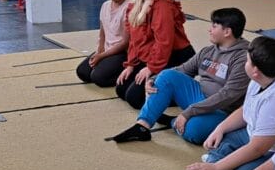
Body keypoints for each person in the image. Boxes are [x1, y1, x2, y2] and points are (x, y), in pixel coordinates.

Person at [107, 7, 250, 144]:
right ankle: (142, 126)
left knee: (193, 131)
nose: (209, 29)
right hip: (198, 96)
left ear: (227, 32)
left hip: (222, 109)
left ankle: (173, 121)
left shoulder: (243, 58)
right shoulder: (208, 51)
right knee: (167, 75)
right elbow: (182, 70)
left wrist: (189, 112)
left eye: (214, 26)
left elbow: (227, 96)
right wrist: (153, 79)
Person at [181, 35, 275, 170]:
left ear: (255, 71)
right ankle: (220, 164)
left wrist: (216, 169)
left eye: (247, 60)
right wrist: (220, 128)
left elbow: (258, 148)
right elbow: (246, 110)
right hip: (253, 135)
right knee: (225, 139)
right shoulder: (261, 79)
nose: (244, 62)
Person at [114, 0, 195, 110]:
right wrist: (131, 64)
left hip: (176, 56)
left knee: (135, 98)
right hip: (155, 54)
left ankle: (182, 94)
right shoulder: (135, 5)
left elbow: (164, 43)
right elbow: (134, 40)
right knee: (121, 89)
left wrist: (151, 68)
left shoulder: (163, 6)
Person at [75, 0, 133, 87]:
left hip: (122, 52)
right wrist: (99, 51)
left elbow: (125, 43)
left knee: (98, 78)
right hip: (108, 49)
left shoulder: (130, 7)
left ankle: (129, 77)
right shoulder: (105, 5)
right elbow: (103, 32)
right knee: (83, 72)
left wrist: (102, 56)